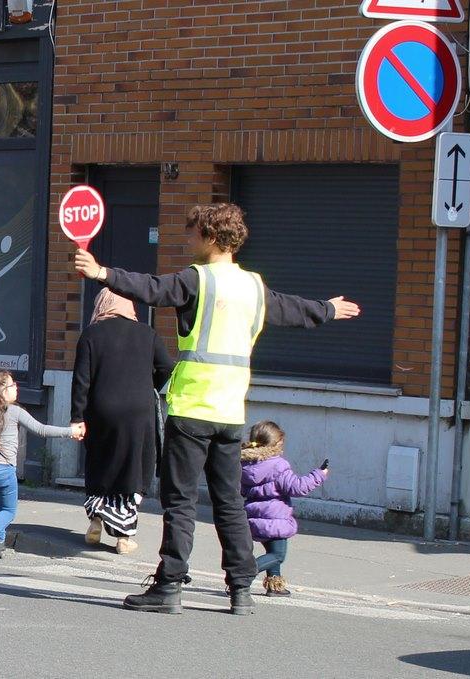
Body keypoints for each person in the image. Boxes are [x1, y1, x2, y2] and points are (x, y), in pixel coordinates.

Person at [75, 202, 359, 615]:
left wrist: (102, 274)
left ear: (210, 237)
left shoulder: (198, 280)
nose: (186, 240)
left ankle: (169, 586)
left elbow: (152, 288)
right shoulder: (253, 286)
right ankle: (241, 589)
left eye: (191, 233)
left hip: (191, 409)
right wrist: (328, 309)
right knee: (228, 502)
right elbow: (292, 309)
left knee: (181, 503)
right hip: (230, 413)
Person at [71, 289, 174, 555]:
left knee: (100, 462)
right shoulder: (147, 334)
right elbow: (166, 367)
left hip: (102, 409)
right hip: (138, 412)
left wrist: (77, 417)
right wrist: (148, 386)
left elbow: (81, 381)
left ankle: (95, 519)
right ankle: (124, 536)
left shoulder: (91, 335)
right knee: (132, 467)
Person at [0, 370, 80, 559]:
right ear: (3, 391)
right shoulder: (14, 411)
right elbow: (41, 429)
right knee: (9, 510)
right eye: (12, 385)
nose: (16, 387)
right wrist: (70, 431)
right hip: (3, 469)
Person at [240, 421, 327, 598]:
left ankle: (275, 585)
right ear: (276, 444)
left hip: (253, 517)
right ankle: (242, 576)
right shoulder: (277, 465)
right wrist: (319, 474)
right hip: (275, 518)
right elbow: (297, 487)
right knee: (278, 555)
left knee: (271, 552)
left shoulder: (246, 464)